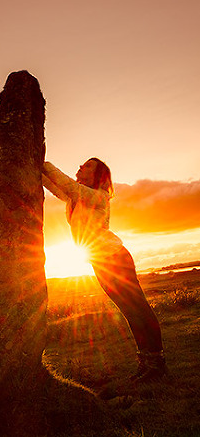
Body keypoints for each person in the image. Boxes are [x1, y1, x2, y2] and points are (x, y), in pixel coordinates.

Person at [42, 158, 167, 383]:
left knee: (138, 307)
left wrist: (42, 160)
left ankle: (156, 363)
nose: (81, 167)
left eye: (88, 166)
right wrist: (30, 164)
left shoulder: (97, 196)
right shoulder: (74, 199)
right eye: (81, 164)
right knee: (129, 311)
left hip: (116, 258)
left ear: (99, 175)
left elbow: (67, 184)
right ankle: (146, 361)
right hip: (100, 262)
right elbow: (55, 186)